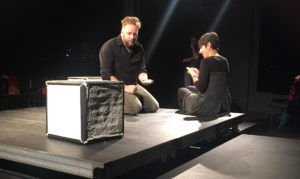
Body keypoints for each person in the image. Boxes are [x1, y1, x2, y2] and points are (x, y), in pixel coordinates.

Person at [99, 16, 159, 115]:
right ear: (122, 32)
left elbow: (142, 69)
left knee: (153, 106)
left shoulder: (139, 48)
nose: (132, 37)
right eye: (129, 34)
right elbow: (106, 75)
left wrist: (144, 79)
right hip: (116, 87)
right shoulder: (109, 47)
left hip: (133, 85)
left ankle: (131, 101)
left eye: (135, 34)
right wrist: (125, 88)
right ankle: (110, 104)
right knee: (134, 108)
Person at [177, 32, 231, 116]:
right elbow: (216, 82)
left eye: (201, 47)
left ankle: (187, 111)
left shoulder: (206, 61)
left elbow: (201, 88)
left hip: (207, 105)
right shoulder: (224, 61)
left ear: (208, 45)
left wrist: (192, 74)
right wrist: (199, 73)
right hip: (221, 104)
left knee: (181, 91)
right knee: (188, 87)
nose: (200, 51)